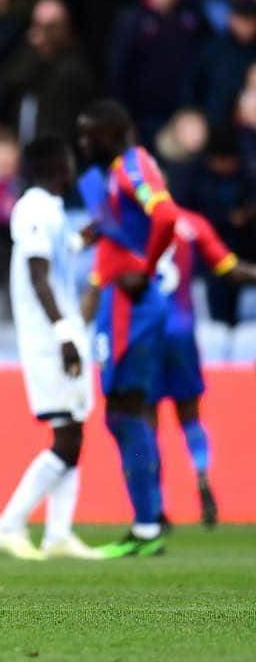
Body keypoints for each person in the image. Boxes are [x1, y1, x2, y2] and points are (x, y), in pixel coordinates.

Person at [87, 206, 256, 527]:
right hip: (182, 330)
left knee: (143, 423)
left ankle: (154, 502)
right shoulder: (193, 223)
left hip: (144, 331)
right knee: (190, 416)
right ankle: (202, 473)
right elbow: (229, 269)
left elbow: (102, 282)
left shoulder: (128, 229)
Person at [0, 136, 101, 561]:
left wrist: (95, 230)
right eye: (68, 160)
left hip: (62, 333)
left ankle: (58, 534)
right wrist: (66, 335)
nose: (73, 168)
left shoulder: (50, 210)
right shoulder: (33, 206)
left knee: (74, 428)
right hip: (49, 337)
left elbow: (65, 249)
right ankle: (7, 525)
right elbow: (39, 275)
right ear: (56, 165)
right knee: (66, 437)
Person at [76, 99, 178, 558]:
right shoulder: (118, 173)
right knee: (125, 412)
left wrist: (147, 265)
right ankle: (150, 517)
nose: (83, 144)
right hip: (118, 300)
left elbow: (166, 215)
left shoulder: (133, 165)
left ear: (112, 133)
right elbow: (126, 231)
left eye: (88, 134)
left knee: (124, 410)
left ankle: (148, 523)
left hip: (132, 303)